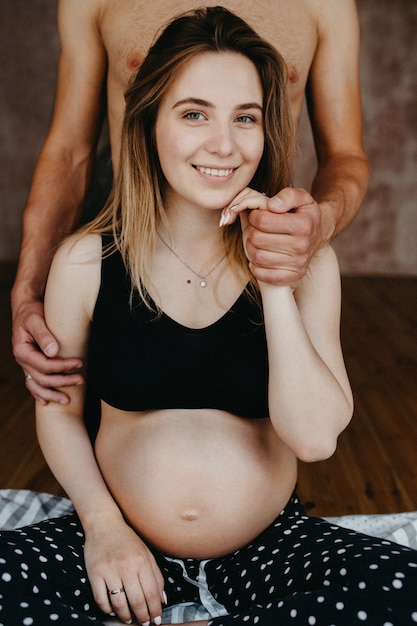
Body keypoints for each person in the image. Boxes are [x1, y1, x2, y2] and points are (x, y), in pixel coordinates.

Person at [1, 8, 416, 626]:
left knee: (404, 592)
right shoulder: (87, 260)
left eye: (245, 118)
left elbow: (314, 437)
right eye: (194, 113)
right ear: (148, 124)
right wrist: (104, 527)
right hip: (121, 538)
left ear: (266, 131)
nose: (223, 144)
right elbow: (58, 414)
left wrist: (275, 280)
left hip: (268, 546)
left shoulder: (310, 265)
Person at [11, 0, 370, 406]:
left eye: (245, 118)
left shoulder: (326, 5)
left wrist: (317, 226)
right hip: (132, 256)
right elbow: (69, 153)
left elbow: (345, 155)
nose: (221, 142)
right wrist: (28, 291)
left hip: (253, 258)